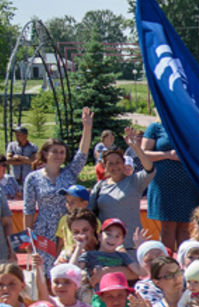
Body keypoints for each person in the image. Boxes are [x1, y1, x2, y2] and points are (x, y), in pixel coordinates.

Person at [23, 108, 94, 273]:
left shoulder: (69, 173)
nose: (59, 155)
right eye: (55, 151)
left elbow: (82, 153)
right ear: (45, 154)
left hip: (68, 230)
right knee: (44, 274)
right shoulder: (33, 178)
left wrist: (87, 128)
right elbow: (28, 210)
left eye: (62, 152)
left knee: (67, 272)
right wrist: (28, 239)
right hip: (43, 231)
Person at [88, 129, 154, 247]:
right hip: (107, 247)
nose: (115, 166)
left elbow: (150, 169)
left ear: (124, 163)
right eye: (110, 163)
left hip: (131, 245)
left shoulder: (135, 181)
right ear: (104, 166)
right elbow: (90, 213)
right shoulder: (99, 186)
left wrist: (136, 148)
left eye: (118, 162)